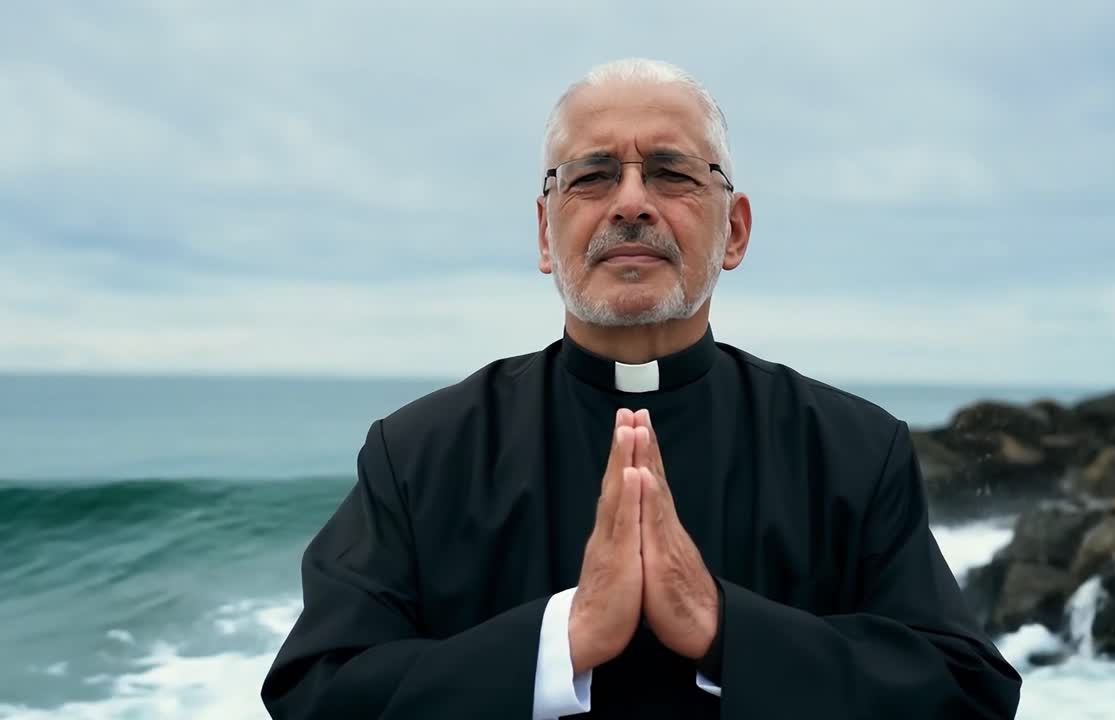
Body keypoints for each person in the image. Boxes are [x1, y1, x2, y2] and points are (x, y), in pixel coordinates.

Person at [260, 58, 1022, 719]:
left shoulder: (854, 450)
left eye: (671, 172)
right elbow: (316, 692)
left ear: (735, 232)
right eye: (592, 175)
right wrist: (563, 639)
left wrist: (726, 629)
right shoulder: (417, 453)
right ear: (542, 233)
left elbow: (966, 694)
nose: (630, 201)